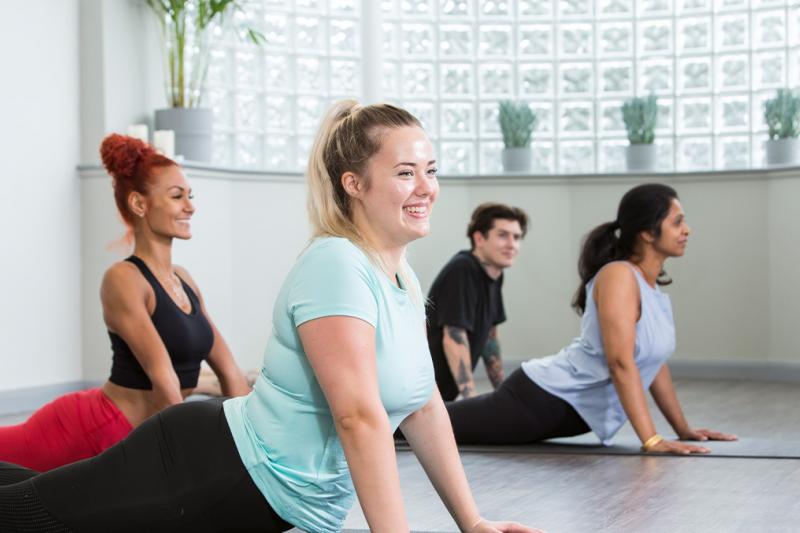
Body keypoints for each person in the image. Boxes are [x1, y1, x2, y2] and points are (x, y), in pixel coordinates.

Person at [0, 102, 541, 533]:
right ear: (353, 183)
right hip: (208, 468)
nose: (426, 187)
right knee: (26, 517)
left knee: (39, 499)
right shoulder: (337, 263)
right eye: (405, 172)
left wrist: (472, 522)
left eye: (430, 170)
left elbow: (423, 406)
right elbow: (358, 417)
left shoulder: (400, 274)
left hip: (247, 486)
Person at [0, 134, 250, 472]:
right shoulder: (124, 279)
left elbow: (230, 371)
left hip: (140, 431)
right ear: (139, 204)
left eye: (190, 196)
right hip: (94, 427)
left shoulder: (184, 279)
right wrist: (188, 466)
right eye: (177, 197)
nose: (190, 206)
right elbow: (163, 380)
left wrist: (251, 448)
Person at [447, 183, 737, 455]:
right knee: (424, 427)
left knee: (431, 424)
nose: (687, 230)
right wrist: (651, 440)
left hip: (560, 410)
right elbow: (620, 362)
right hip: (540, 399)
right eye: (677, 222)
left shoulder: (650, 285)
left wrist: (682, 430)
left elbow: (653, 362)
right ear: (648, 232)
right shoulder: (619, 276)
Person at [427, 203, 527, 400]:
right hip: (424, 395)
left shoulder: (494, 274)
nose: (512, 244)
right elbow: (453, 336)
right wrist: (470, 397)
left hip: (442, 393)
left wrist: (503, 394)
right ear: (479, 238)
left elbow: (489, 337)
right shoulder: (462, 270)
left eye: (516, 237)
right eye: (502, 235)